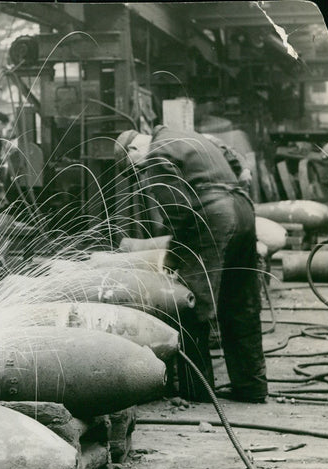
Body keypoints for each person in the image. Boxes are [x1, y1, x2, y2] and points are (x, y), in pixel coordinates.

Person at [115, 127, 268, 403]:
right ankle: (251, 386)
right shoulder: (187, 136)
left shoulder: (157, 153)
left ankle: (196, 389)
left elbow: (176, 210)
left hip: (214, 215)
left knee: (189, 302)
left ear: (133, 150)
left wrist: (176, 256)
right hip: (243, 209)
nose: (140, 177)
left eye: (134, 171)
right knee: (240, 301)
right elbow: (235, 159)